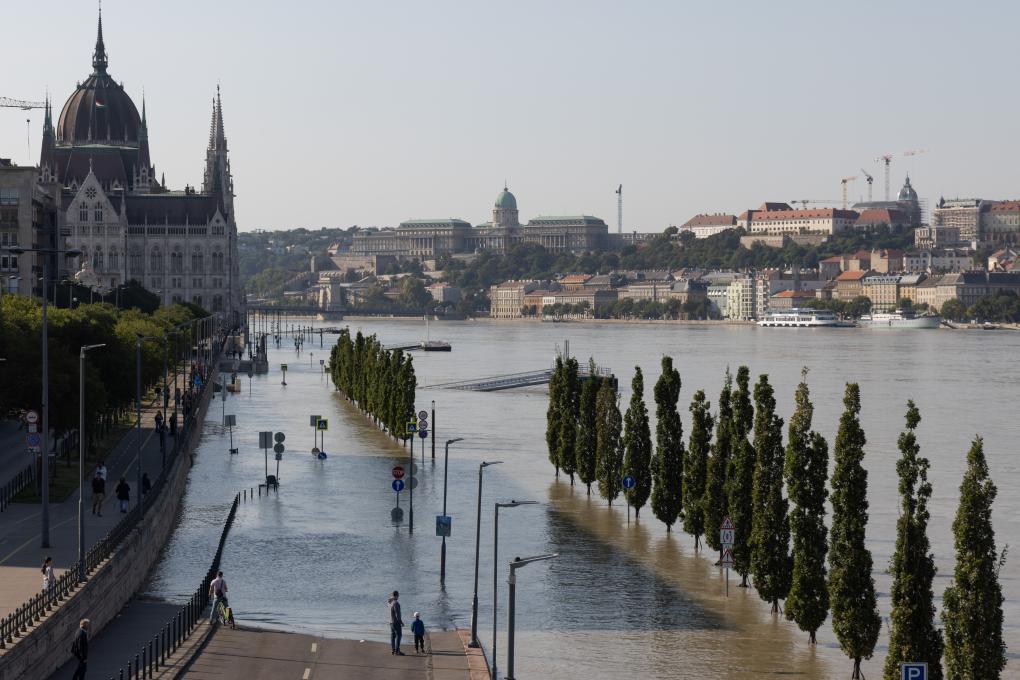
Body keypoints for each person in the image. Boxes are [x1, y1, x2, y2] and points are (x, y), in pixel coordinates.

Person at [388, 590, 404, 655]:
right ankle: (397, 651)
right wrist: (401, 622)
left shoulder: (390, 602)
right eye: (398, 595)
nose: (399, 596)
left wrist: (393, 597)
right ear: (397, 595)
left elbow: (388, 600)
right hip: (396, 622)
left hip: (391, 622)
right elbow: (397, 614)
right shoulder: (396, 603)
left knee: (393, 636)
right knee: (399, 635)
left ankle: (393, 650)